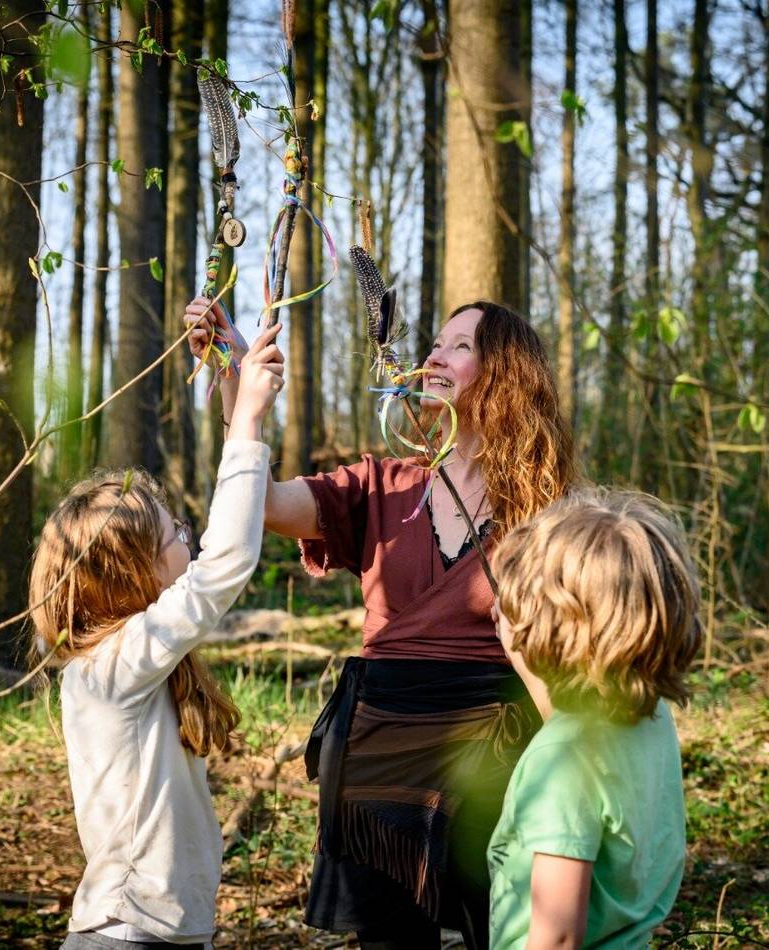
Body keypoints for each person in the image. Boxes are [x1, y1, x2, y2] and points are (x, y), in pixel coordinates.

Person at [183, 296, 576, 950]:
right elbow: (267, 504)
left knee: (502, 928)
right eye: (434, 343)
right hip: (380, 735)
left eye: (459, 345)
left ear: (506, 374)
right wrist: (234, 378)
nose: (433, 356)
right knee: (391, 939)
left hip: (498, 738)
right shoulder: (381, 484)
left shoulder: (546, 510)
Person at [29, 323, 285, 949]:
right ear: (128, 574)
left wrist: (231, 382)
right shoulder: (110, 668)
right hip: (126, 934)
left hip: (155, 930)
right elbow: (224, 564)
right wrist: (248, 422)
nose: (187, 534)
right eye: (172, 533)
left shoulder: (124, 658)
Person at [488, 489, 701, 949]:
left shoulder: (563, 764)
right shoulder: (647, 715)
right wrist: (519, 651)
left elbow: (558, 937)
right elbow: (568, 723)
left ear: (553, 620)